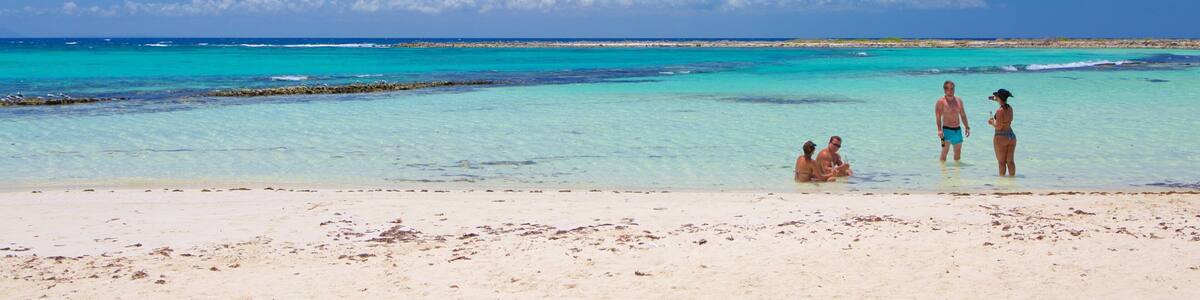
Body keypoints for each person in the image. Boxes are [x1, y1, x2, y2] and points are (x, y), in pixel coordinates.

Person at [935, 80, 971, 162]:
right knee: (944, 152)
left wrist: (967, 126)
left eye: (952, 88)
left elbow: (963, 115)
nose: (950, 91)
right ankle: (943, 172)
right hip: (946, 131)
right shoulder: (940, 102)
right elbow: (938, 117)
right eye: (948, 89)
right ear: (944, 90)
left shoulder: (959, 100)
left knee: (958, 154)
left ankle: (956, 173)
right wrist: (939, 130)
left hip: (957, 131)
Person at [987, 89, 1017, 176]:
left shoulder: (1000, 111)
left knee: (1001, 162)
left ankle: (1002, 185)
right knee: (1010, 161)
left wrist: (992, 122)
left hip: (1001, 136)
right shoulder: (1010, 108)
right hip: (1011, 136)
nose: (995, 98)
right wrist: (993, 98)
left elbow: (999, 126)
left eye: (997, 96)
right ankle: (1012, 182)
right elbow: (1002, 102)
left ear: (999, 98)